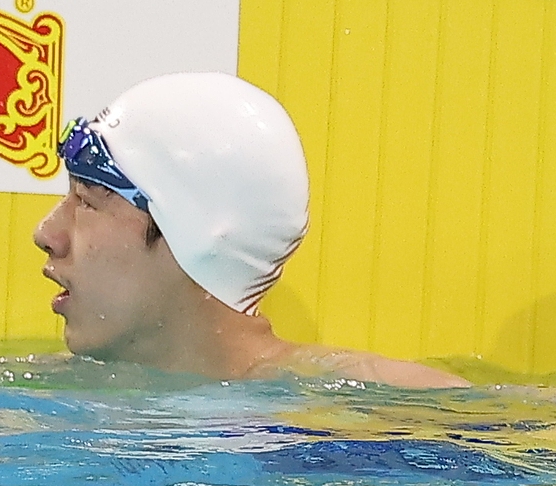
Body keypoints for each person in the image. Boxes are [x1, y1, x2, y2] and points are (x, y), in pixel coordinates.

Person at [31, 73, 464, 388]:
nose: (47, 234)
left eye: (87, 201)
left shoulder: (365, 413)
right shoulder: (49, 394)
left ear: (197, 234)